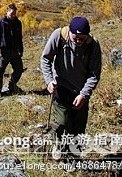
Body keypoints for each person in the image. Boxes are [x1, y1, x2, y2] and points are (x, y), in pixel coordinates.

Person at [40, 16, 102, 157]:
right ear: (70, 33)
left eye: (83, 38)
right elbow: (45, 59)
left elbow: (94, 74)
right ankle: (59, 147)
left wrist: (84, 94)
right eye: (76, 38)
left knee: (78, 127)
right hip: (60, 86)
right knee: (61, 123)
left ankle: (75, 157)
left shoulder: (93, 45)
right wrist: (49, 81)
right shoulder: (59, 36)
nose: (79, 41)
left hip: (80, 91)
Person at [0, 3, 23, 96]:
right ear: (7, 12)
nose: (13, 15)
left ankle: (10, 85)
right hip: (4, 50)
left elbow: (19, 37)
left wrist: (21, 49)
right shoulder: (0, 22)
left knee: (19, 69)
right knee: (0, 70)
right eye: (11, 13)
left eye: (14, 13)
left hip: (14, 50)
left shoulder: (18, 23)